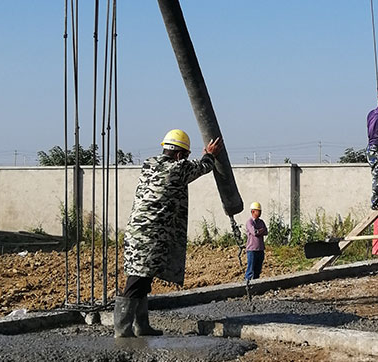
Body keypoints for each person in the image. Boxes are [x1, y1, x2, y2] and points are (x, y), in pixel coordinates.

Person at [115, 129, 223, 338]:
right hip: (150, 236)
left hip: (137, 233)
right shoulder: (178, 168)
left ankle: (141, 326)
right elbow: (203, 167)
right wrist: (210, 154)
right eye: (185, 156)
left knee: (143, 279)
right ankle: (122, 329)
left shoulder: (149, 165)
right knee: (136, 281)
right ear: (180, 155)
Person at [245, 201, 268, 280]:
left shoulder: (261, 222)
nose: (260, 212)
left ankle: (256, 284)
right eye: (258, 211)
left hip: (260, 249)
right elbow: (254, 232)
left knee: (257, 270)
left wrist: (259, 231)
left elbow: (266, 232)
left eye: (260, 211)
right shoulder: (250, 222)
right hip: (252, 250)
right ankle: (247, 285)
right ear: (253, 211)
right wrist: (261, 230)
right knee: (250, 271)